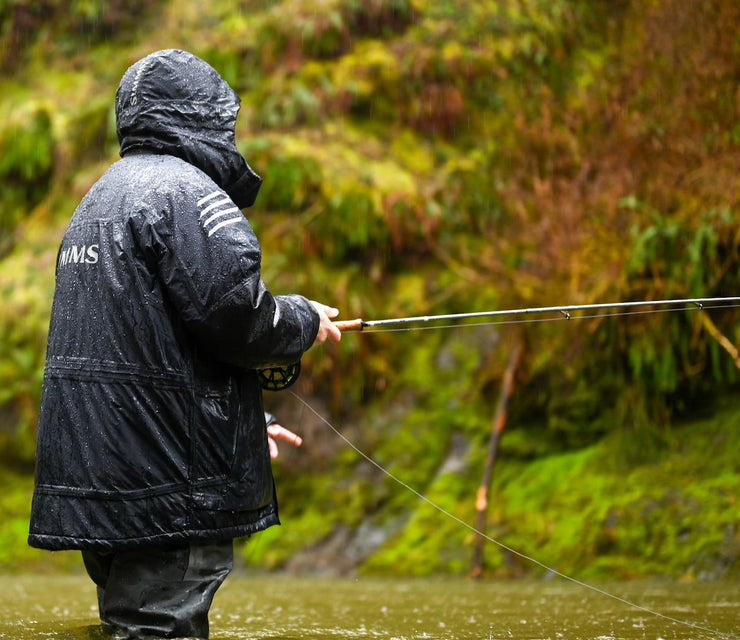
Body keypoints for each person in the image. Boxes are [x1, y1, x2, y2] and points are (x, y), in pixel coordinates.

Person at [28, 49, 341, 639]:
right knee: (158, 630)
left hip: (105, 485)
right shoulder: (186, 193)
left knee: (129, 625)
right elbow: (237, 316)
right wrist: (301, 319)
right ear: (200, 117)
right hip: (166, 494)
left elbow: (145, 354)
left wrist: (240, 423)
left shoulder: (97, 200)